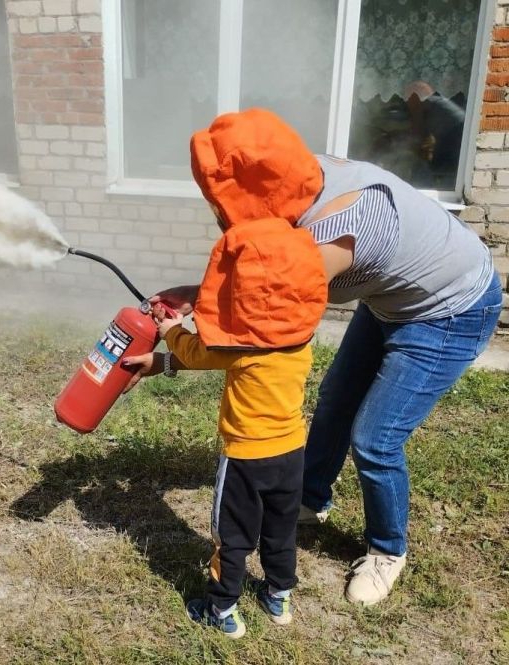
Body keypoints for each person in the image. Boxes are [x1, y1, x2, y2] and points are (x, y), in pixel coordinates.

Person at [126, 107, 502, 607]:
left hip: (450, 308)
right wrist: (197, 296)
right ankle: (310, 499)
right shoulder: (300, 173)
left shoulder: (336, 235)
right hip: (393, 295)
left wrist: (174, 346)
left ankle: (388, 550)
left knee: (376, 438)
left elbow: (252, 332)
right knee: (335, 401)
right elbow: (255, 313)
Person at [125, 123, 328, 637]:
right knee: (280, 531)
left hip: (245, 457)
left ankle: (222, 611)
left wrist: (171, 328)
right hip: (291, 453)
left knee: (233, 536)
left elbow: (196, 350)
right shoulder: (299, 342)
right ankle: (279, 599)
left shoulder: (236, 348)